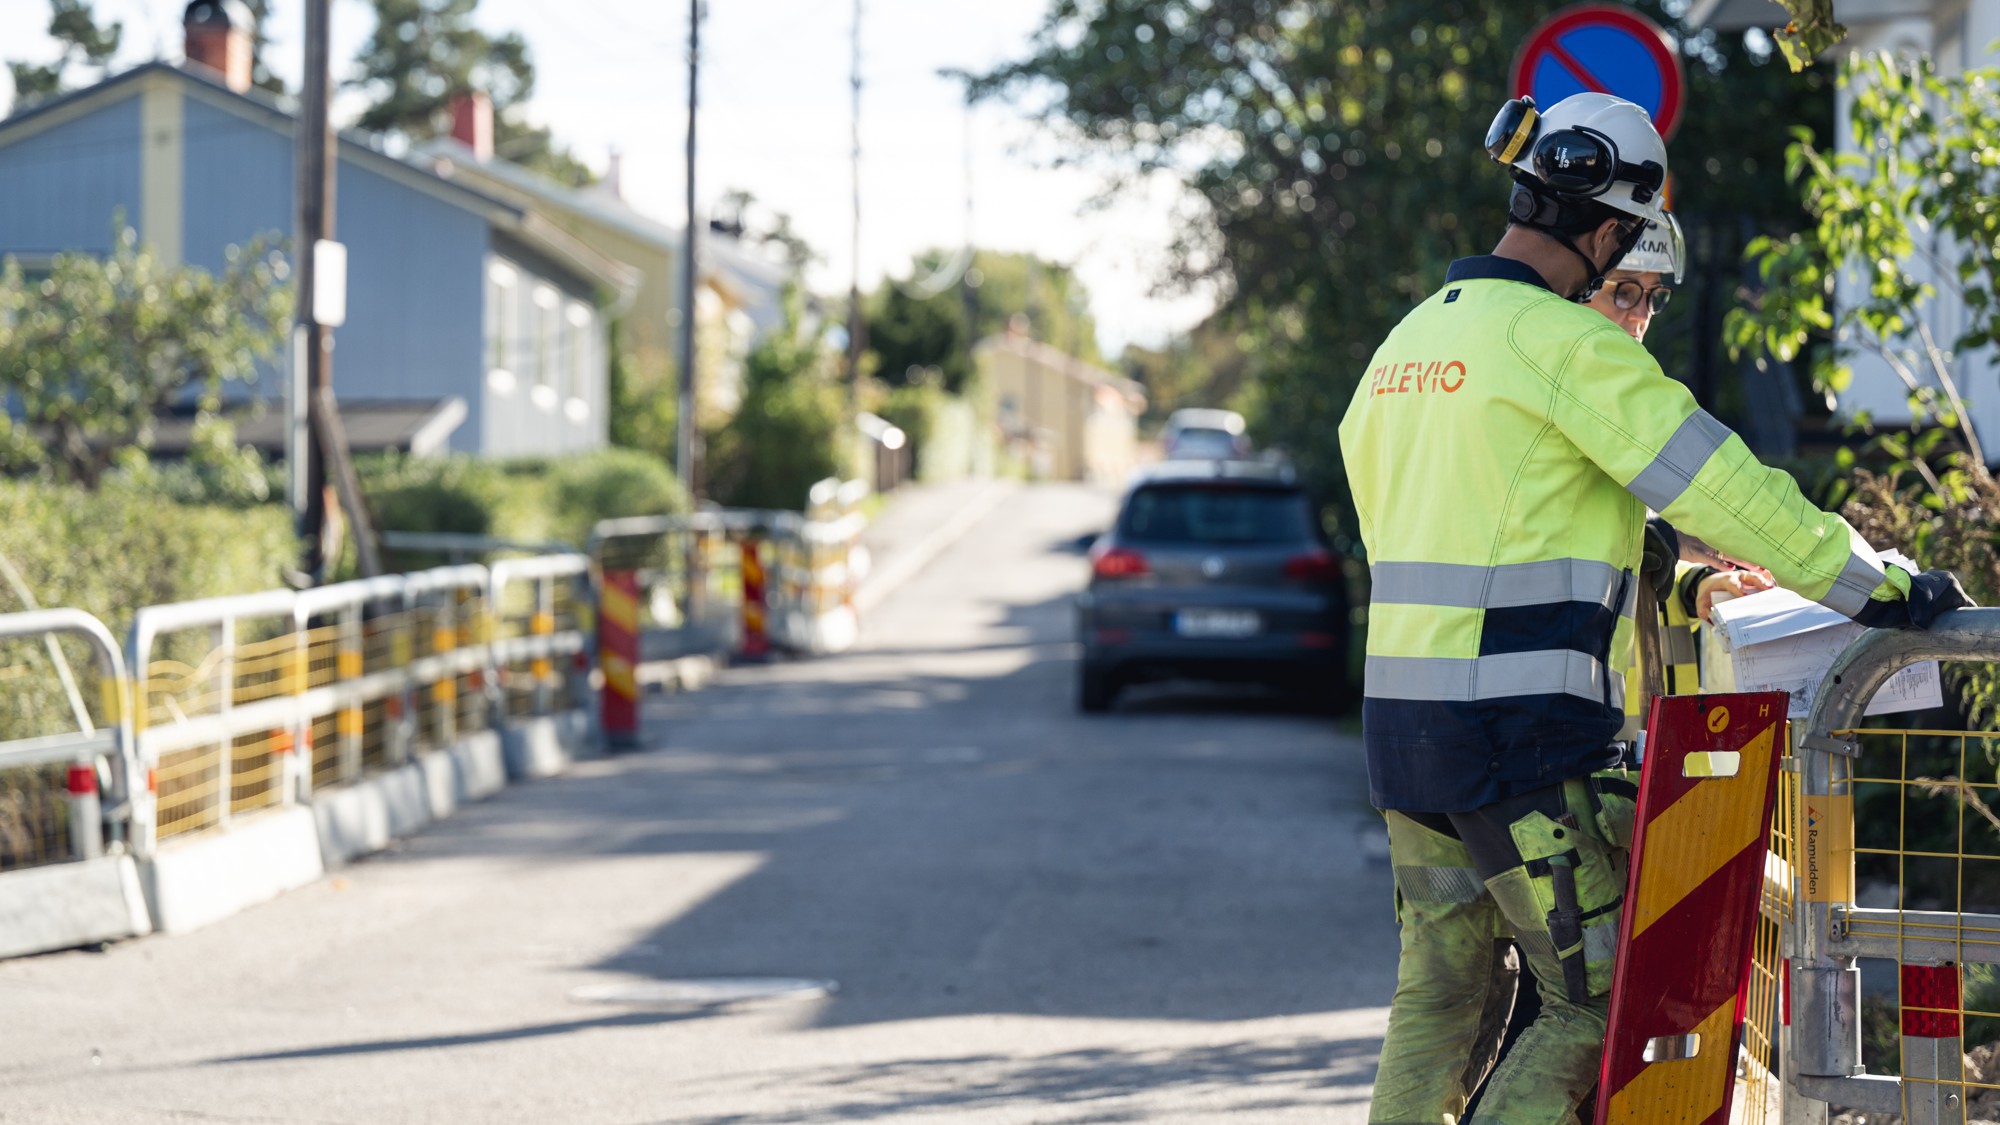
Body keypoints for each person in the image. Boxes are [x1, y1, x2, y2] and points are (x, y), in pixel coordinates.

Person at [1339, 92, 1972, 1124]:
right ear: (1604, 232)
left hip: (1403, 737)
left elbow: (1496, 524)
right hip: (1515, 741)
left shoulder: (1408, 348)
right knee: (1593, 1006)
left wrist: (1668, 569)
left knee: (1439, 997)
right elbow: (1724, 487)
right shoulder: (1561, 344)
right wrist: (1884, 586)